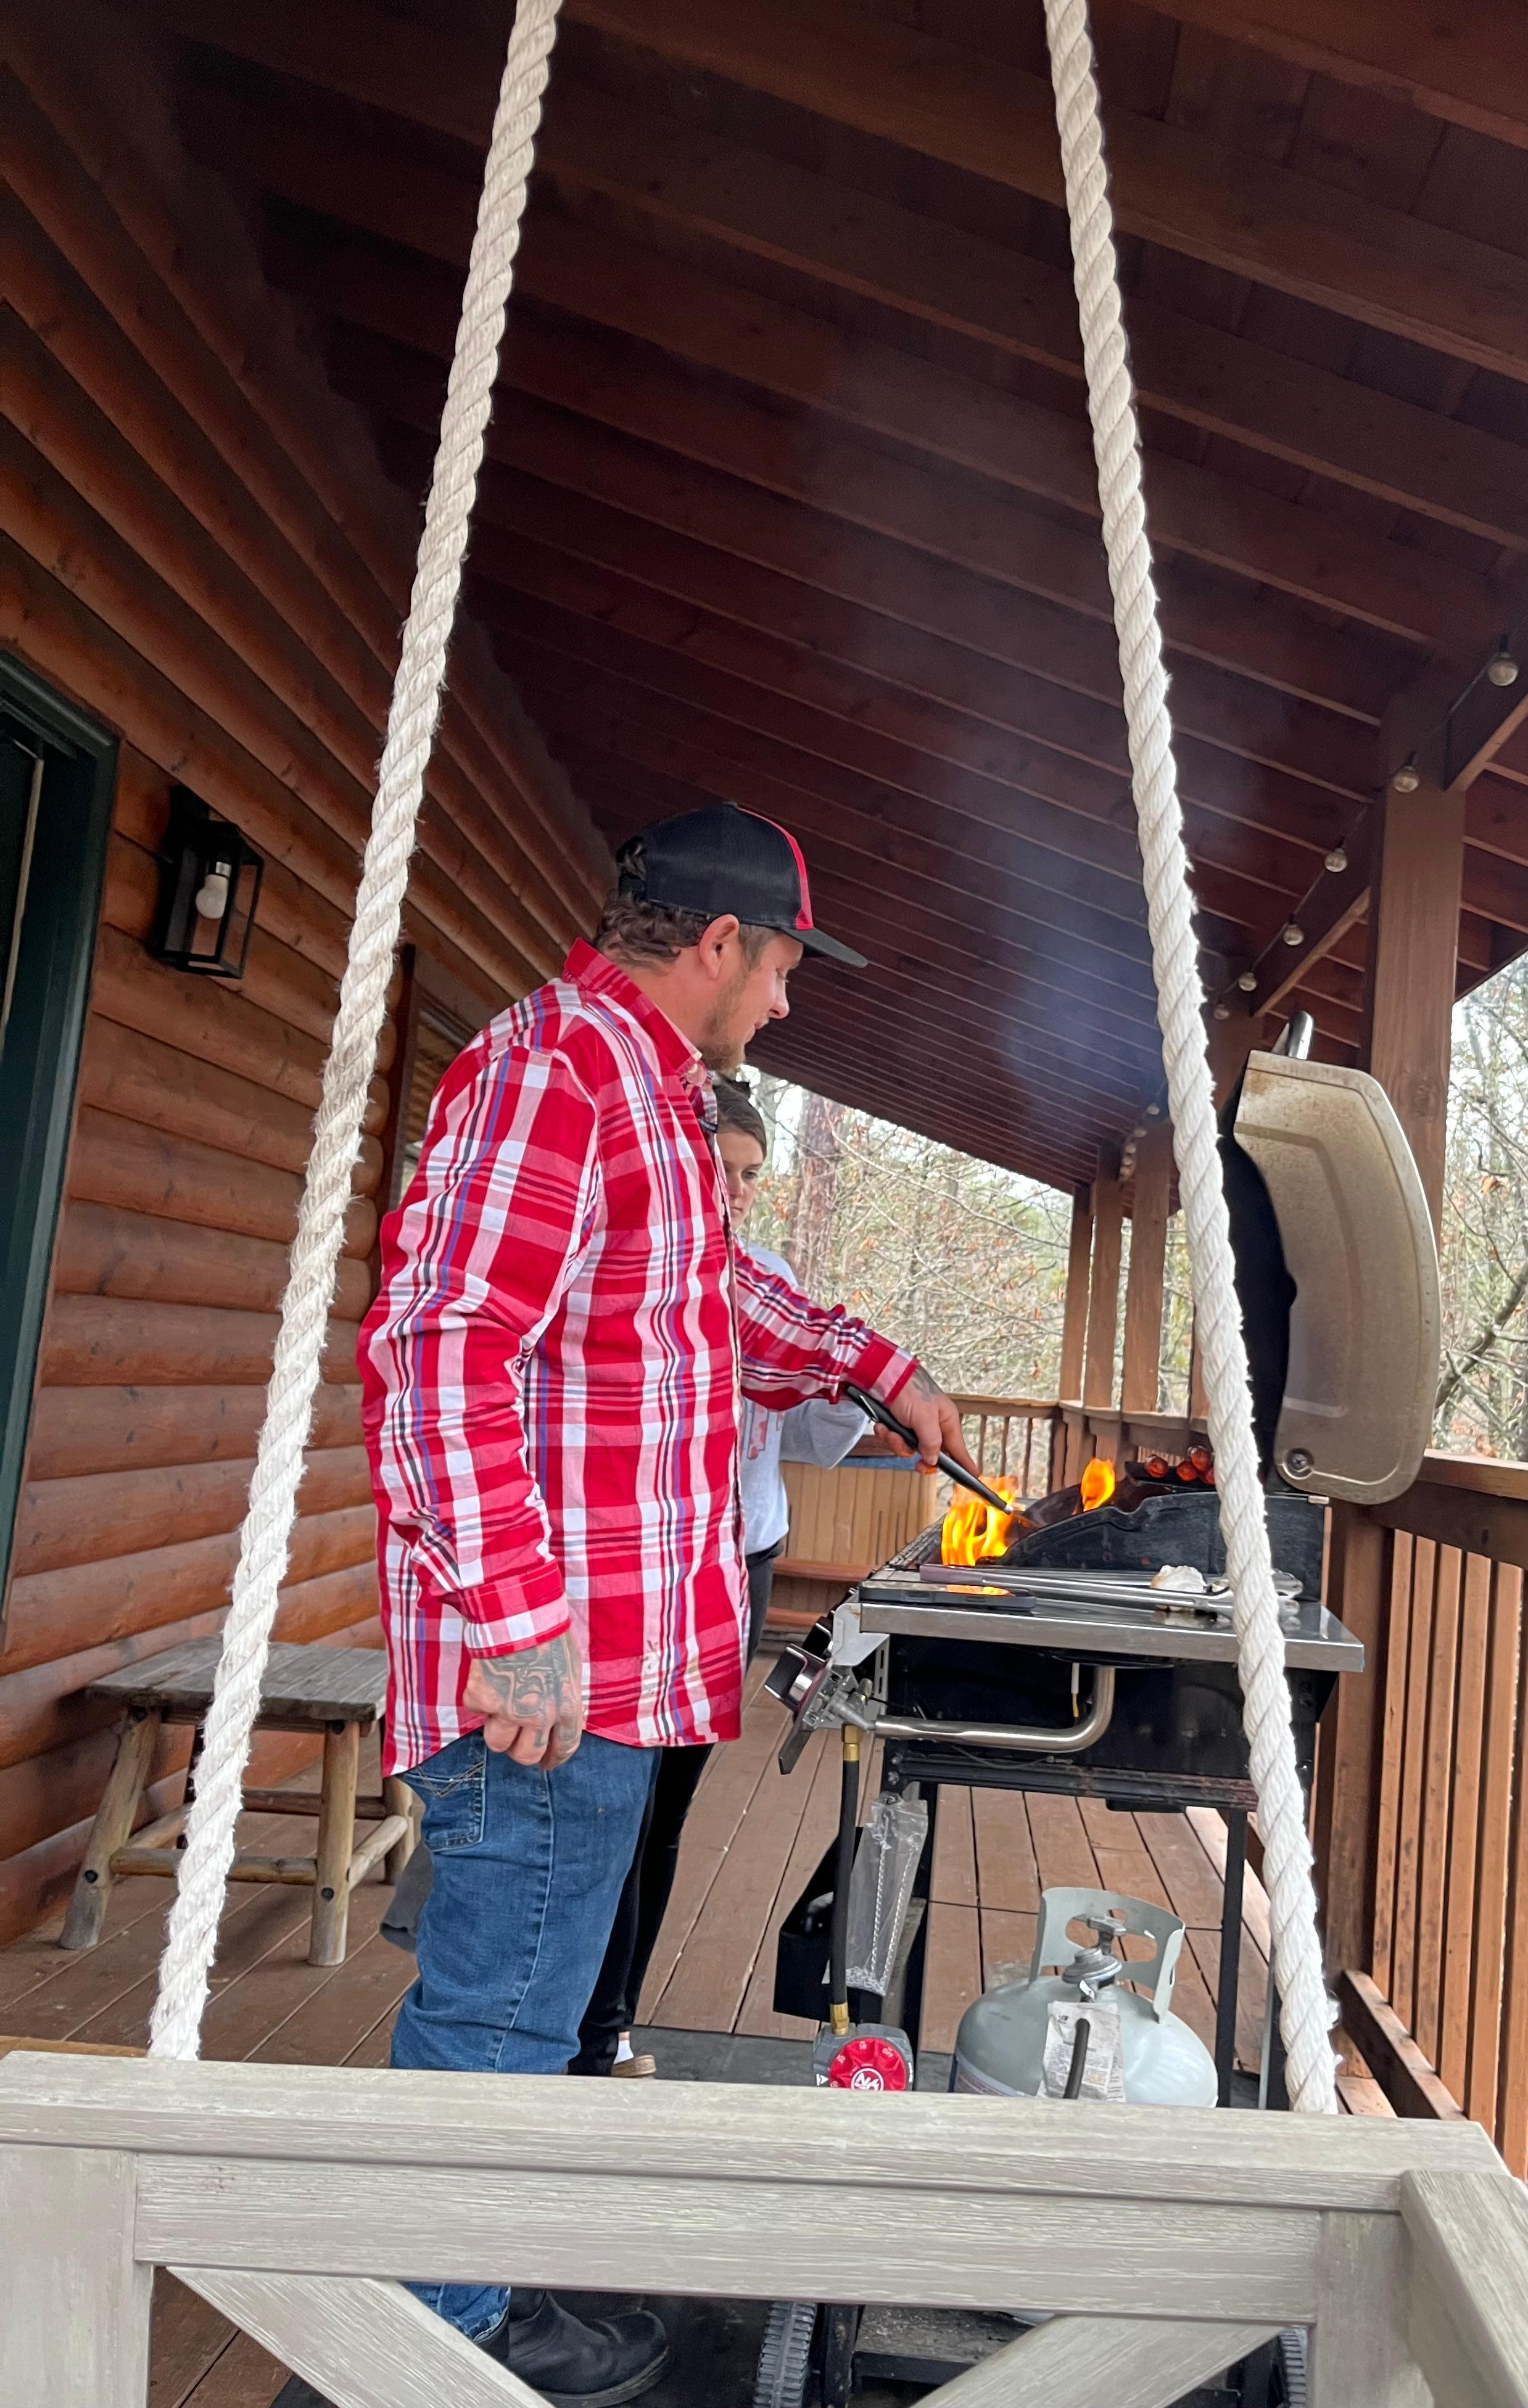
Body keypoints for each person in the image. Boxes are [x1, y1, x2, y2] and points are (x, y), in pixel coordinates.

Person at [294, 806, 974, 2408]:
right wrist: (518, 1617)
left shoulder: (645, 1091)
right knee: (498, 2026)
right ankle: (437, 2345)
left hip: (602, 1672)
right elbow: (438, 1347)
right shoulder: (553, 1068)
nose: (791, 1005)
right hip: (545, 1681)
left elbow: (707, 1294)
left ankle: (468, 2295)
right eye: (790, 968)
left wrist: (880, 1367)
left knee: (530, 2018)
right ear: (721, 944)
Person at [569, 1074, 869, 2080]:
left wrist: (846, 1370)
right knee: (616, 1795)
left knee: (669, 1804)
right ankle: (583, 2024)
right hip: (643, 1567)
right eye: (725, 1169)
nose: (738, 1191)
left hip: (741, 1559)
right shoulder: (638, 1272)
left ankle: (612, 2025)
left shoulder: (768, 1279)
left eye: (750, 1175)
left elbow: (824, 1438)